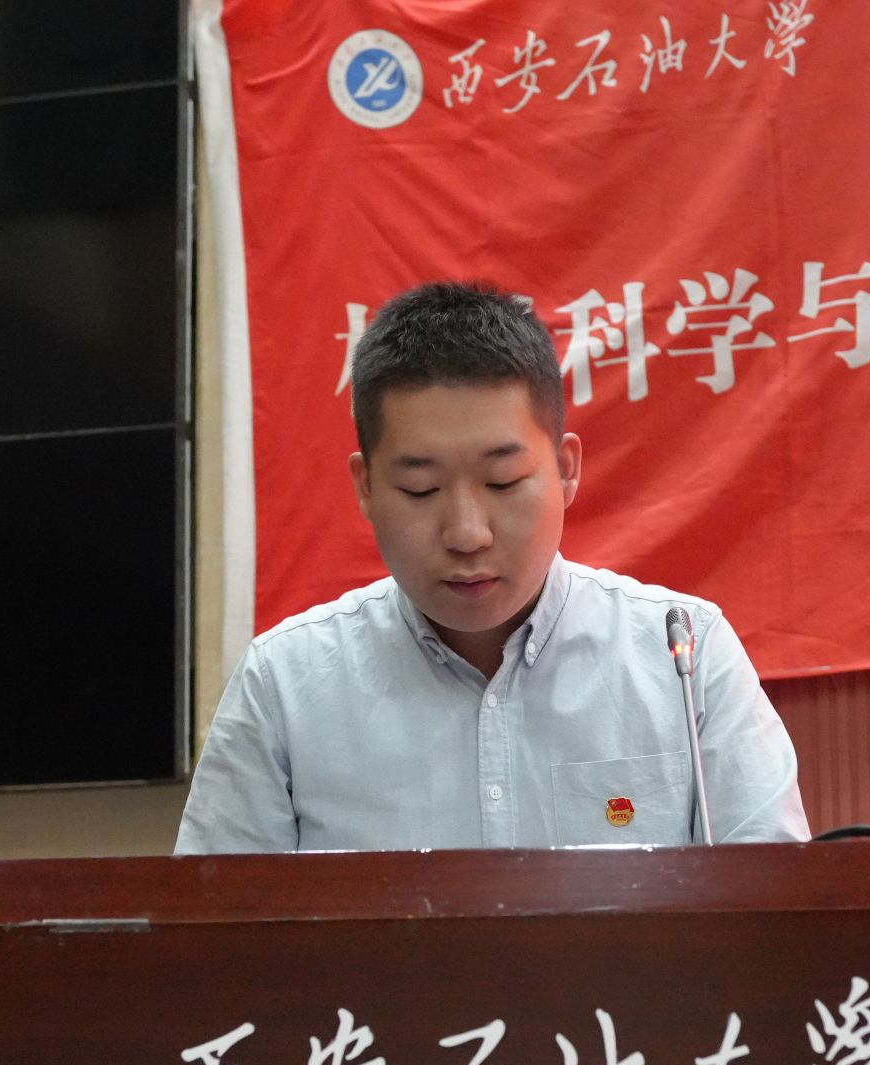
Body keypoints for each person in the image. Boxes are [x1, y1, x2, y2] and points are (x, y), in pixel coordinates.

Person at [175, 281, 807, 853]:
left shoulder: (684, 657)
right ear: (365, 487)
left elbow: (772, 914)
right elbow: (214, 928)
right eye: (420, 489)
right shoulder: (285, 686)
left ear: (566, 469)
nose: (467, 534)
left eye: (503, 481)